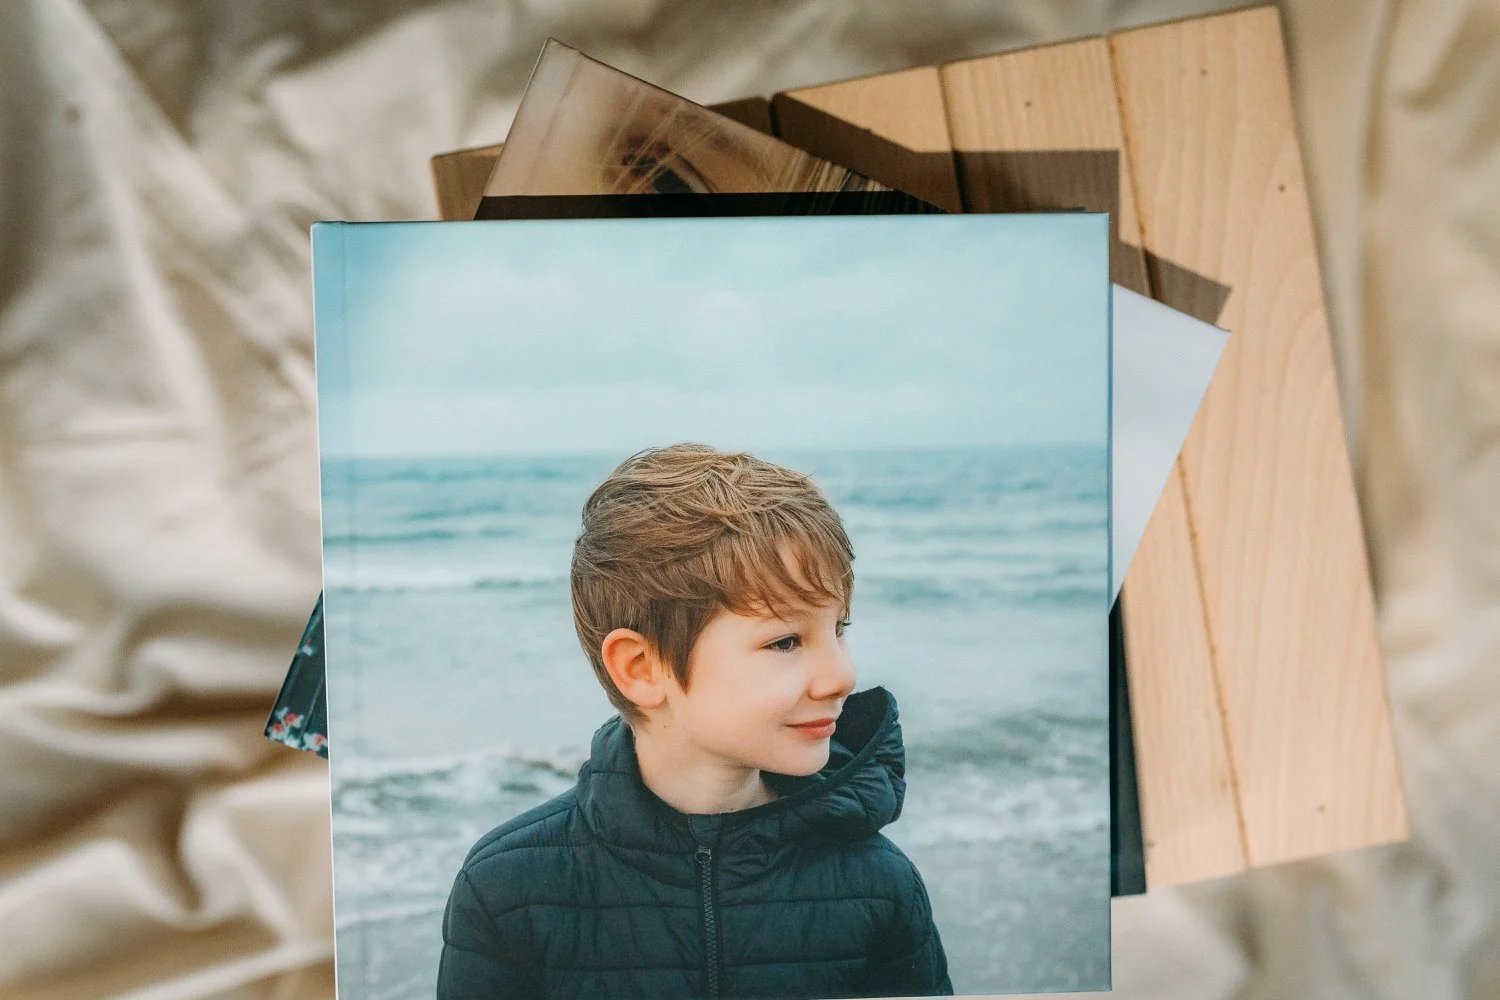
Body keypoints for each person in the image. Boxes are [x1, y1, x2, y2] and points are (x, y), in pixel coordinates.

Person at [436, 443, 953, 1000]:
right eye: (786, 641)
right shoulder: (507, 890)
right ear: (641, 668)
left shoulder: (879, 885)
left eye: (839, 630)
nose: (841, 676)